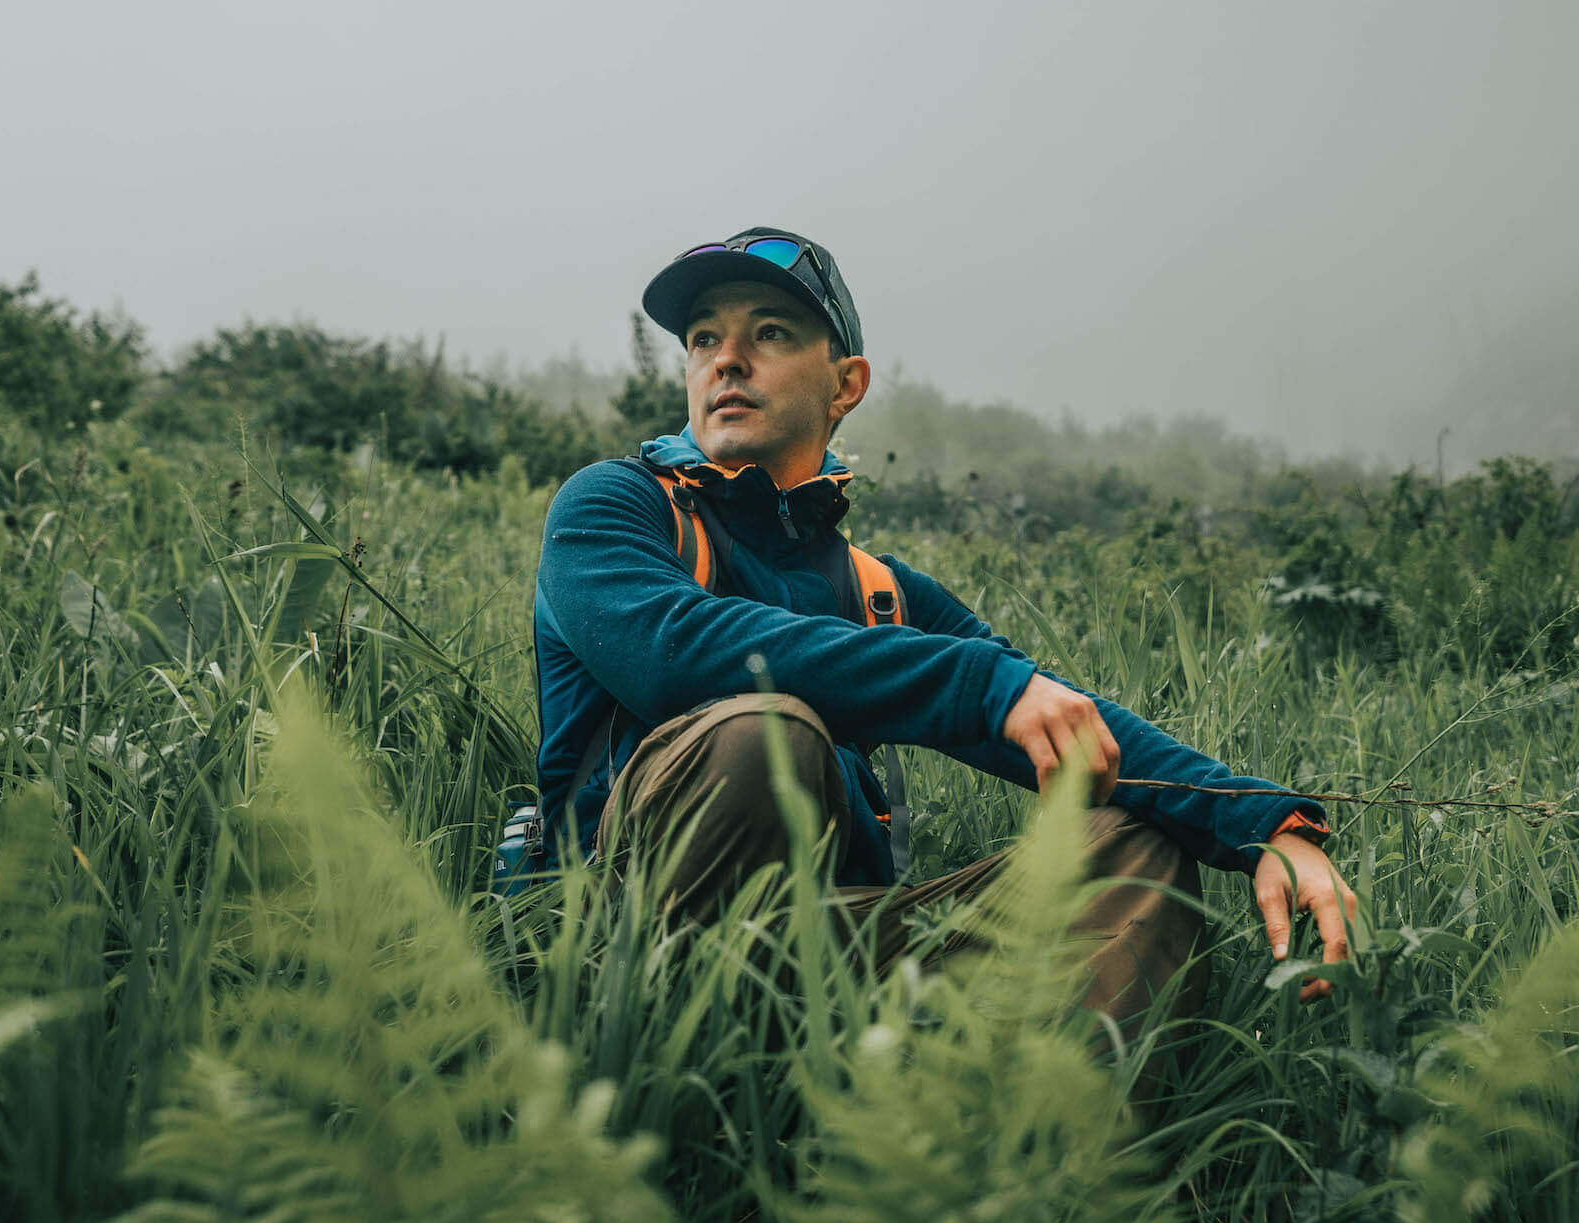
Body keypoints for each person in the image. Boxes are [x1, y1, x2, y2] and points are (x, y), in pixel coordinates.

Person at [532, 227, 1358, 1026]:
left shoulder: (880, 593)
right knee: (761, 732)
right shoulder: (614, 506)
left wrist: (1270, 829)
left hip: (840, 952)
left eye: (770, 332)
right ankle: (686, 1101)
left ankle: (1034, 1145)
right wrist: (976, 687)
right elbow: (677, 654)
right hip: (624, 937)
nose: (726, 359)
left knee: (1139, 851)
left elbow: (1063, 720)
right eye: (703, 338)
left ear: (845, 385)